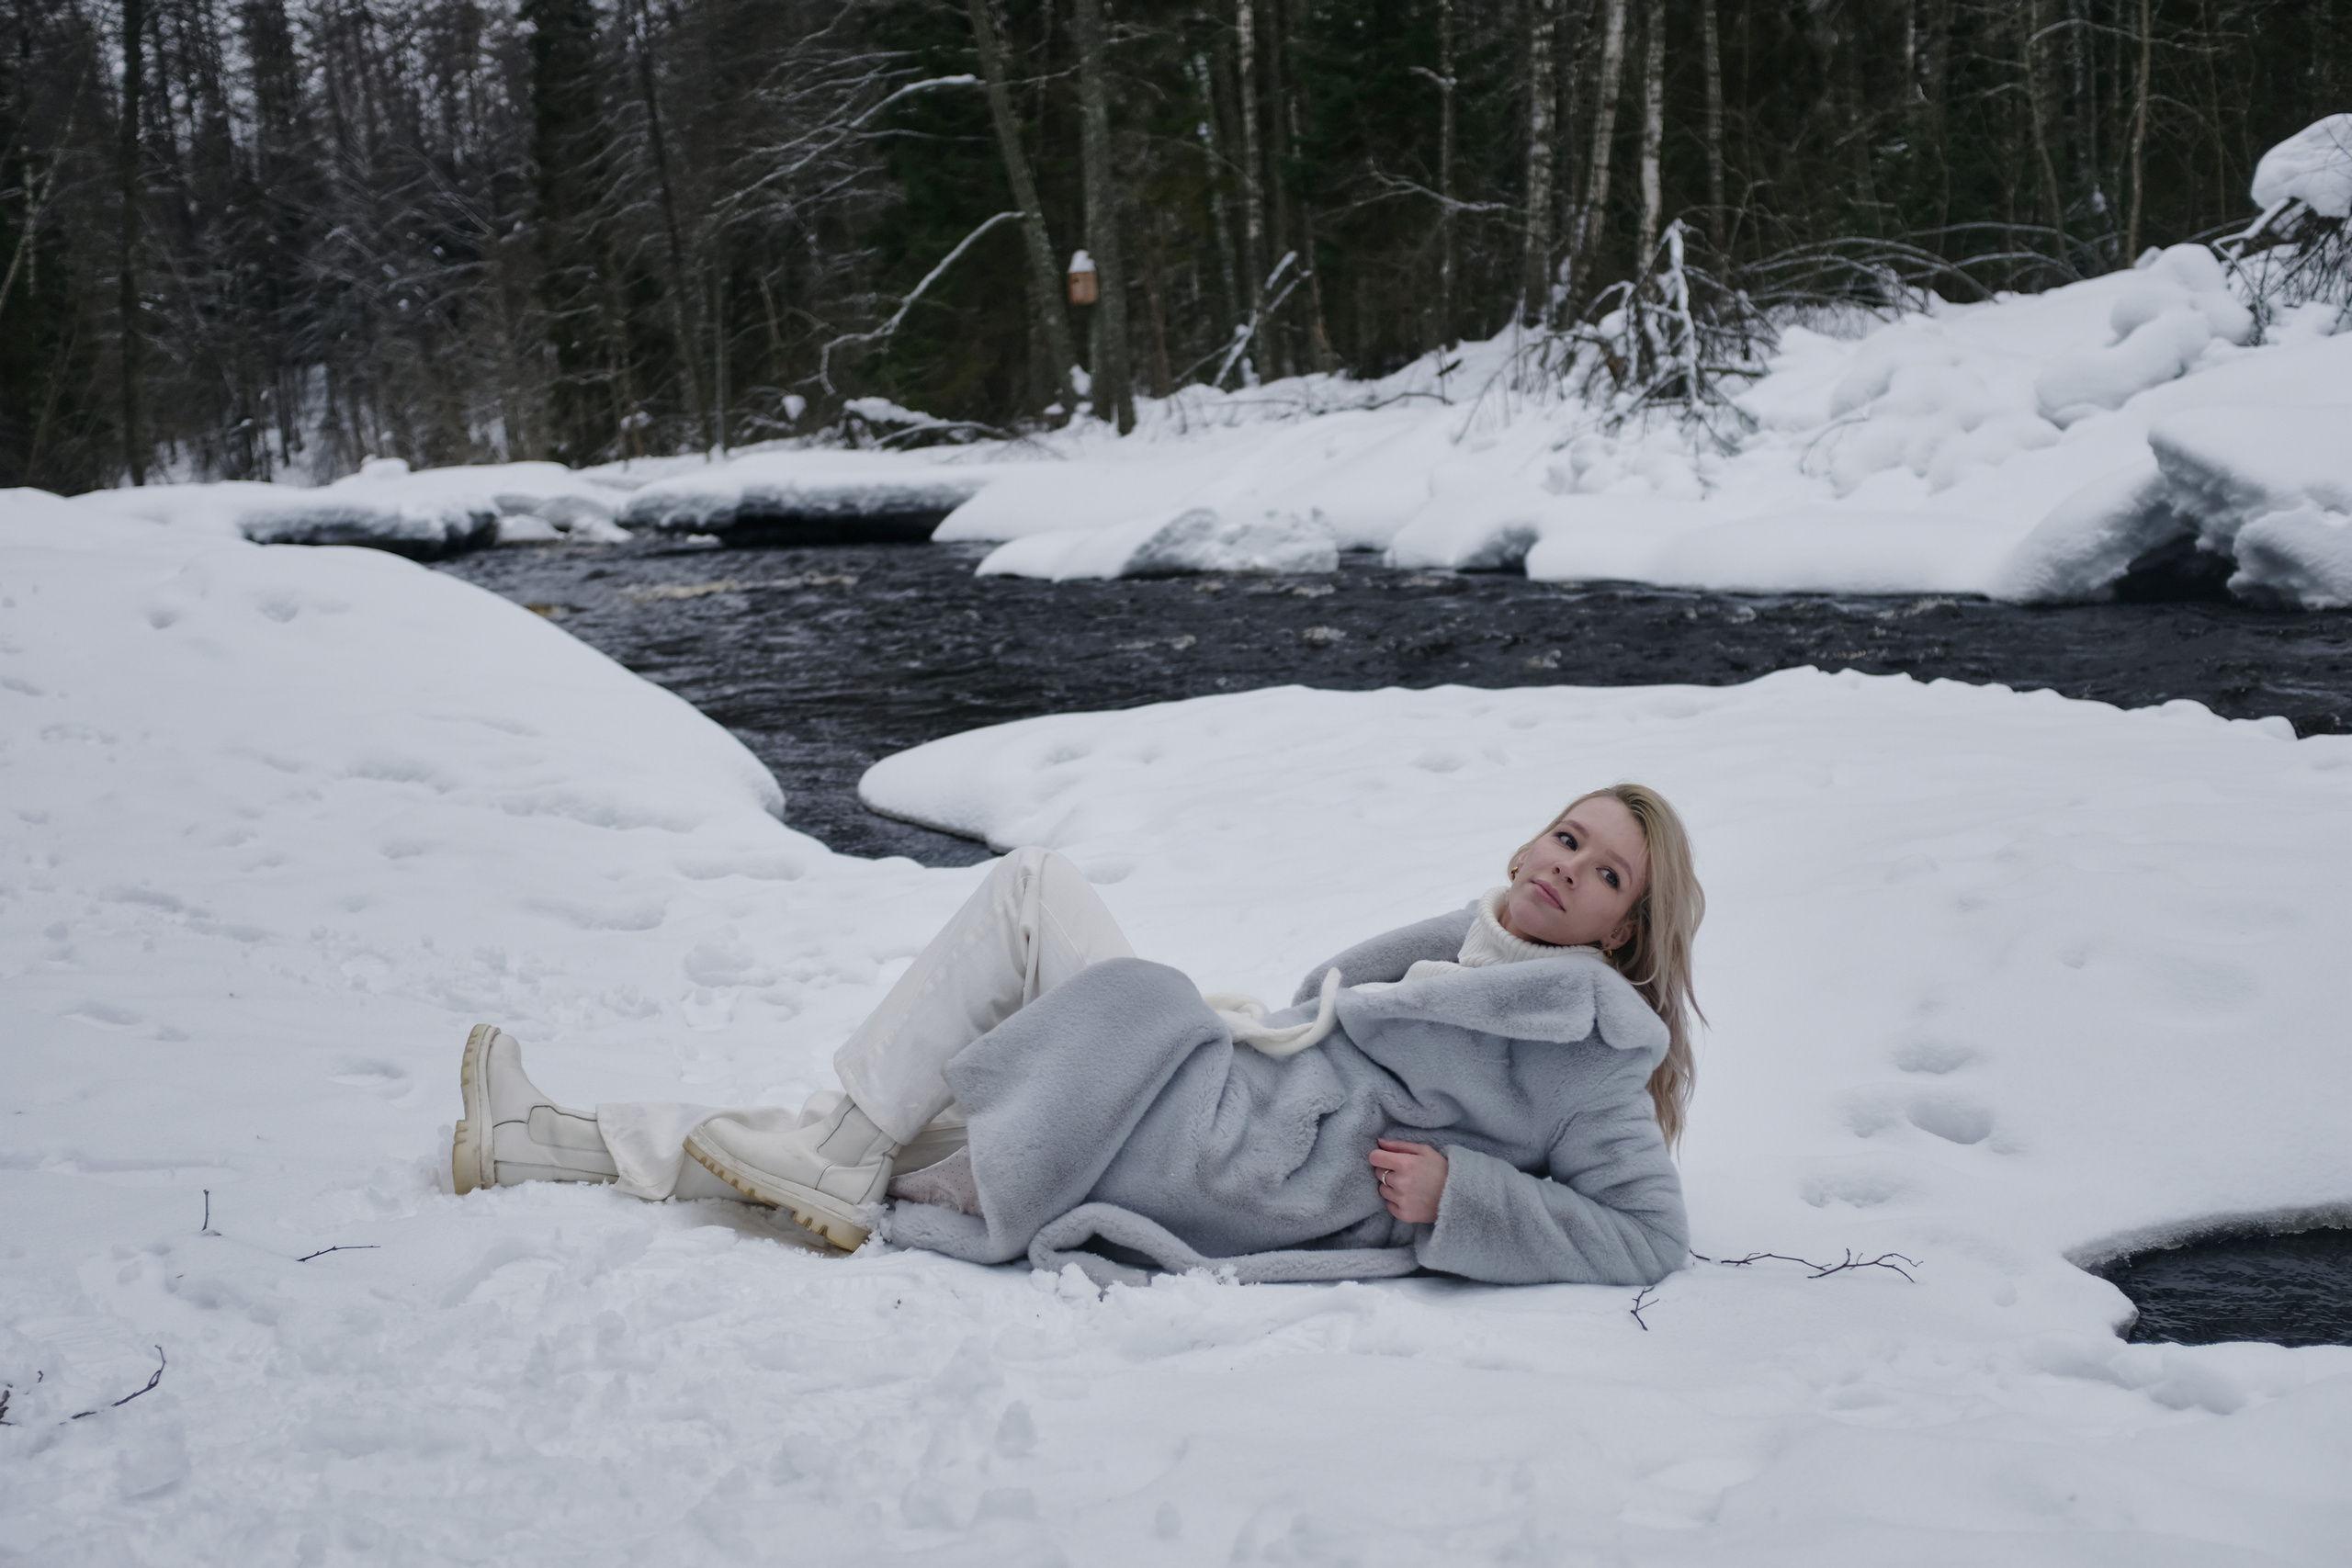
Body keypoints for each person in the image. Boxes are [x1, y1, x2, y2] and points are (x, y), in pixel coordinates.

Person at [453, 784, 1702, 1288]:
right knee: (860, 1141)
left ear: (1622, 931)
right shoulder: (1467, 943)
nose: (1568, 867)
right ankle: (540, 1142)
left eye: (1605, 874)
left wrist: (1462, 1198)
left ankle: (838, 1149)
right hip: (1204, 1116)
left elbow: (1649, 1239)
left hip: (1226, 1156)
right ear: (1528, 839)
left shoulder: (1590, 1050)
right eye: (1568, 837)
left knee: (1032, 890)